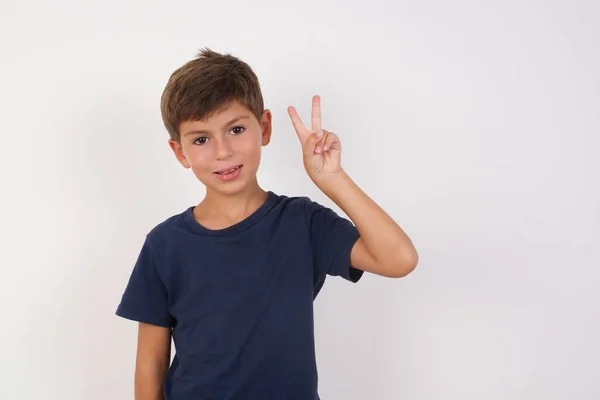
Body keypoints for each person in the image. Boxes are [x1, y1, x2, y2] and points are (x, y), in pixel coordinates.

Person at [116, 47, 418, 400]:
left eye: (236, 129)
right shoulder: (164, 244)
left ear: (264, 127)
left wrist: (332, 178)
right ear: (180, 152)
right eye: (201, 139)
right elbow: (149, 364)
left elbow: (399, 259)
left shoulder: (304, 223)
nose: (222, 151)